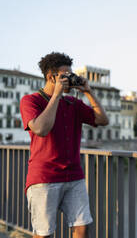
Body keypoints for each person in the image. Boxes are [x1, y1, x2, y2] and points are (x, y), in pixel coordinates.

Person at [20, 52, 109, 238]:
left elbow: (102, 120)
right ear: (51, 77)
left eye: (71, 75)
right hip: (44, 178)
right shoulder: (31, 101)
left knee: (82, 228)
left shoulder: (73, 103)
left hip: (74, 176)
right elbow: (41, 129)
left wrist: (88, 91)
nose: (70, 79)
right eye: (65, 76)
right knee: (44, 234)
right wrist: (57, 95)